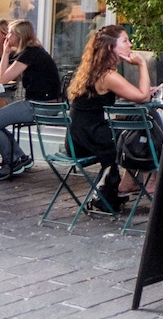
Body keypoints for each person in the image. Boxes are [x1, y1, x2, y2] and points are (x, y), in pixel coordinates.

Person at [67, 24, 151, 215]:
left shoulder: (96, 70)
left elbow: (131, 94)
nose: (130, 44)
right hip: (90, 137)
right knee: (136, 138)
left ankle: (119, 187)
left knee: (133, 132)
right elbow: (143, 97)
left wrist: (136, 93)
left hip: (78, 136)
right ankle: (138, 180)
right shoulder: (107, 75)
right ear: (110, 48)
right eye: (125, 41)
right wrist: (142, 64)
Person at [0, 20, 61, 174]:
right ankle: (21, 158)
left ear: (19, 36)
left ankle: (12, 162)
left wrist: (6, 52)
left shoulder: (29, 54)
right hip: (45, 103)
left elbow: (2, 79)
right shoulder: (33, 51)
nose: (7, 36)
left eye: (10, 33)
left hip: (41, 106)